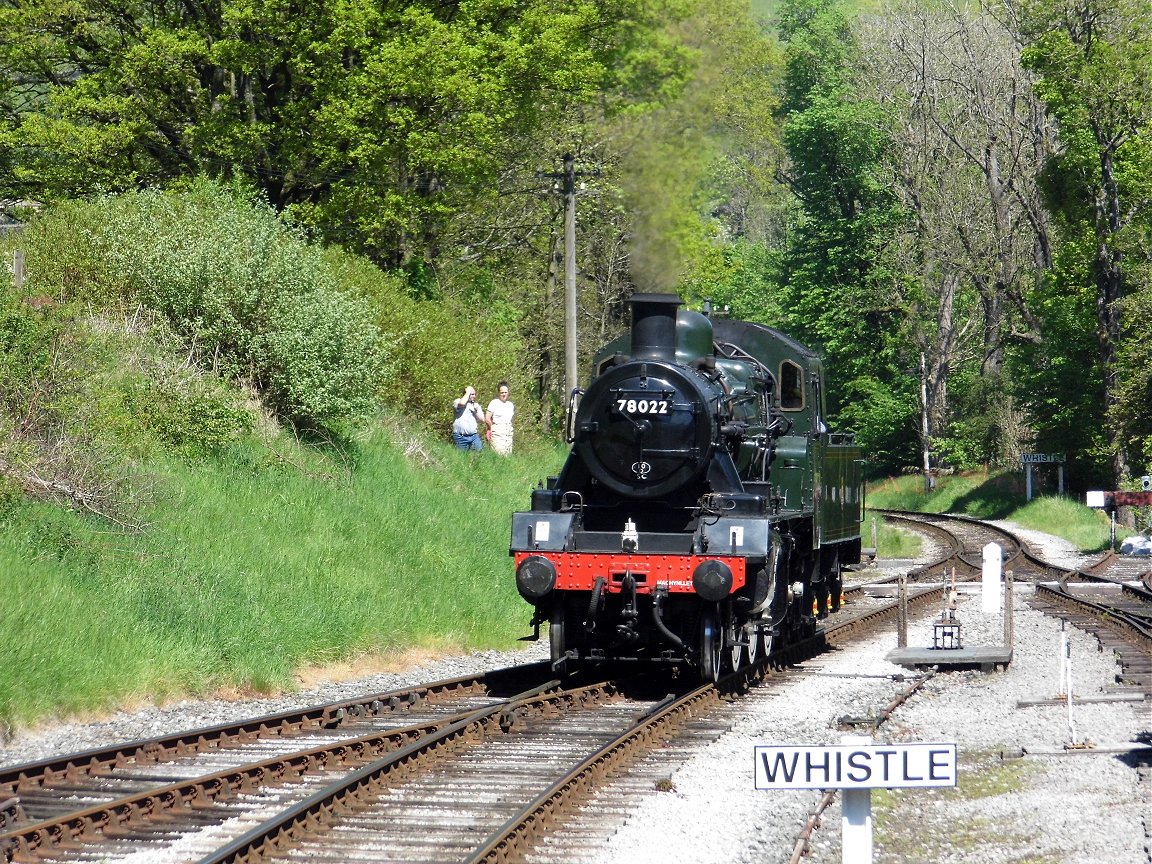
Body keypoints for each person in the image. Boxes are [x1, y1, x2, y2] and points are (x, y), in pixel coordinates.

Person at [452, 386, 488, 450]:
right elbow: (462, 403)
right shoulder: (457, 401)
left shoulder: (476, 405)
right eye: (471, 394)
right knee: (461, 457)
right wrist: (468, 391)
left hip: (474, 436)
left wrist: (475, 410)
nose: (473, 396)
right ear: (466, 394)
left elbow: (482, 420)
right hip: (460, 437)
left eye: (474, 394)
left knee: (479, 454)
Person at [485, 381, 515, 456]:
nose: (504, 394)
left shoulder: (510, 405)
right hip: (497, 431)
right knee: (498, 454)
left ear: (508, 392)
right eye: (502, 392)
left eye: (505, 392)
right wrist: (490, 428)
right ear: (499, 393)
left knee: (507, 455)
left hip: (508, 432)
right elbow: (487, 418)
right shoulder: (494, 403)